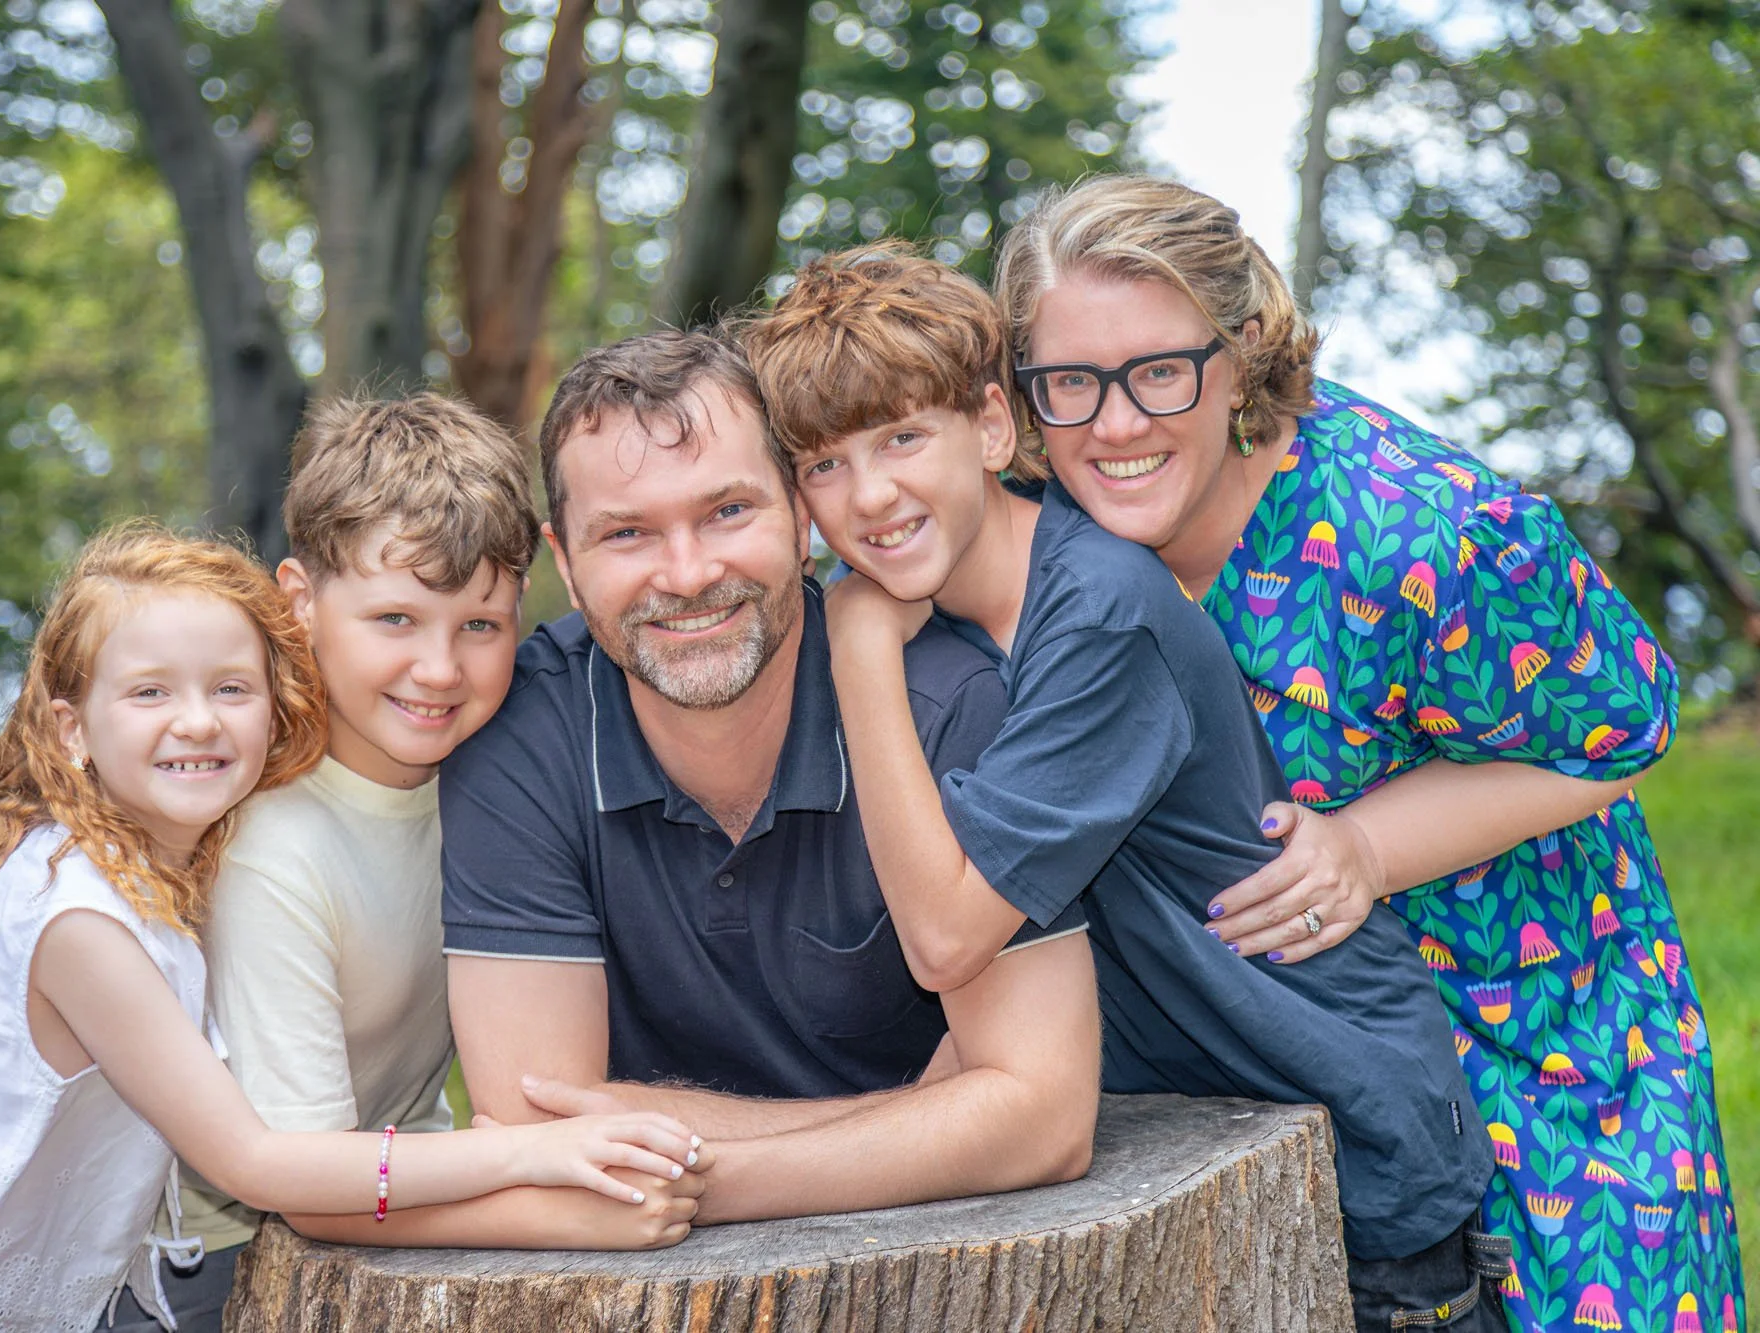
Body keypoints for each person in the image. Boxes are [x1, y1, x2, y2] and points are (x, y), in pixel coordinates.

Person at [993, 173, 1744, 1333]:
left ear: (1240, 354)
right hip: (1274, 1073)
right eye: (1068, 383)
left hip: (1544, 1047)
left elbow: (1622, 730)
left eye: (1158, 371)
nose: (1113, 423)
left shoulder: (1425, 533)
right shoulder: (1031, 528)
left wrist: (1362, 845)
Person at [742, 245, 1506, 1332]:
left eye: (903, 437)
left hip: (1346, 1143)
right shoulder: (950, 622)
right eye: (823, 464)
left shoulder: (1095, 613)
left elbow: (948, 939)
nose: (868, 494)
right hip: (1188, 1124)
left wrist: (857, 654)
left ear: (993, 430)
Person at [0, 525, 704, 1333]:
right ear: (70, 729)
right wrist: (530, 1152)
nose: (196, 722)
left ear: (275, 702)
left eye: (229, 688)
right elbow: (253, 1160)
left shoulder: (176, 867)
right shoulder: (77, 916)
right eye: (148, 693)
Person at [440, 330, 1103, 1222]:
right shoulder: (519, 737)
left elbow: (1045, 1120)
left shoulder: (948, 706)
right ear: (566, 559)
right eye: (628, 532)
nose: (688, 574)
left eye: (727, 512)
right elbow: (538, 1128)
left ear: (800, 517)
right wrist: (935, 1112)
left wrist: (693, 1156)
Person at [108, 397, 703, 1333]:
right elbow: (302, 1180)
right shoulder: (275, 846)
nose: (438, 668)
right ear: (299, 601)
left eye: (480, 625)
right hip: (206, 1273)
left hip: (392, 1203)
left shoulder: (502, 785)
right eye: (396, 617)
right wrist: (551, 1203)